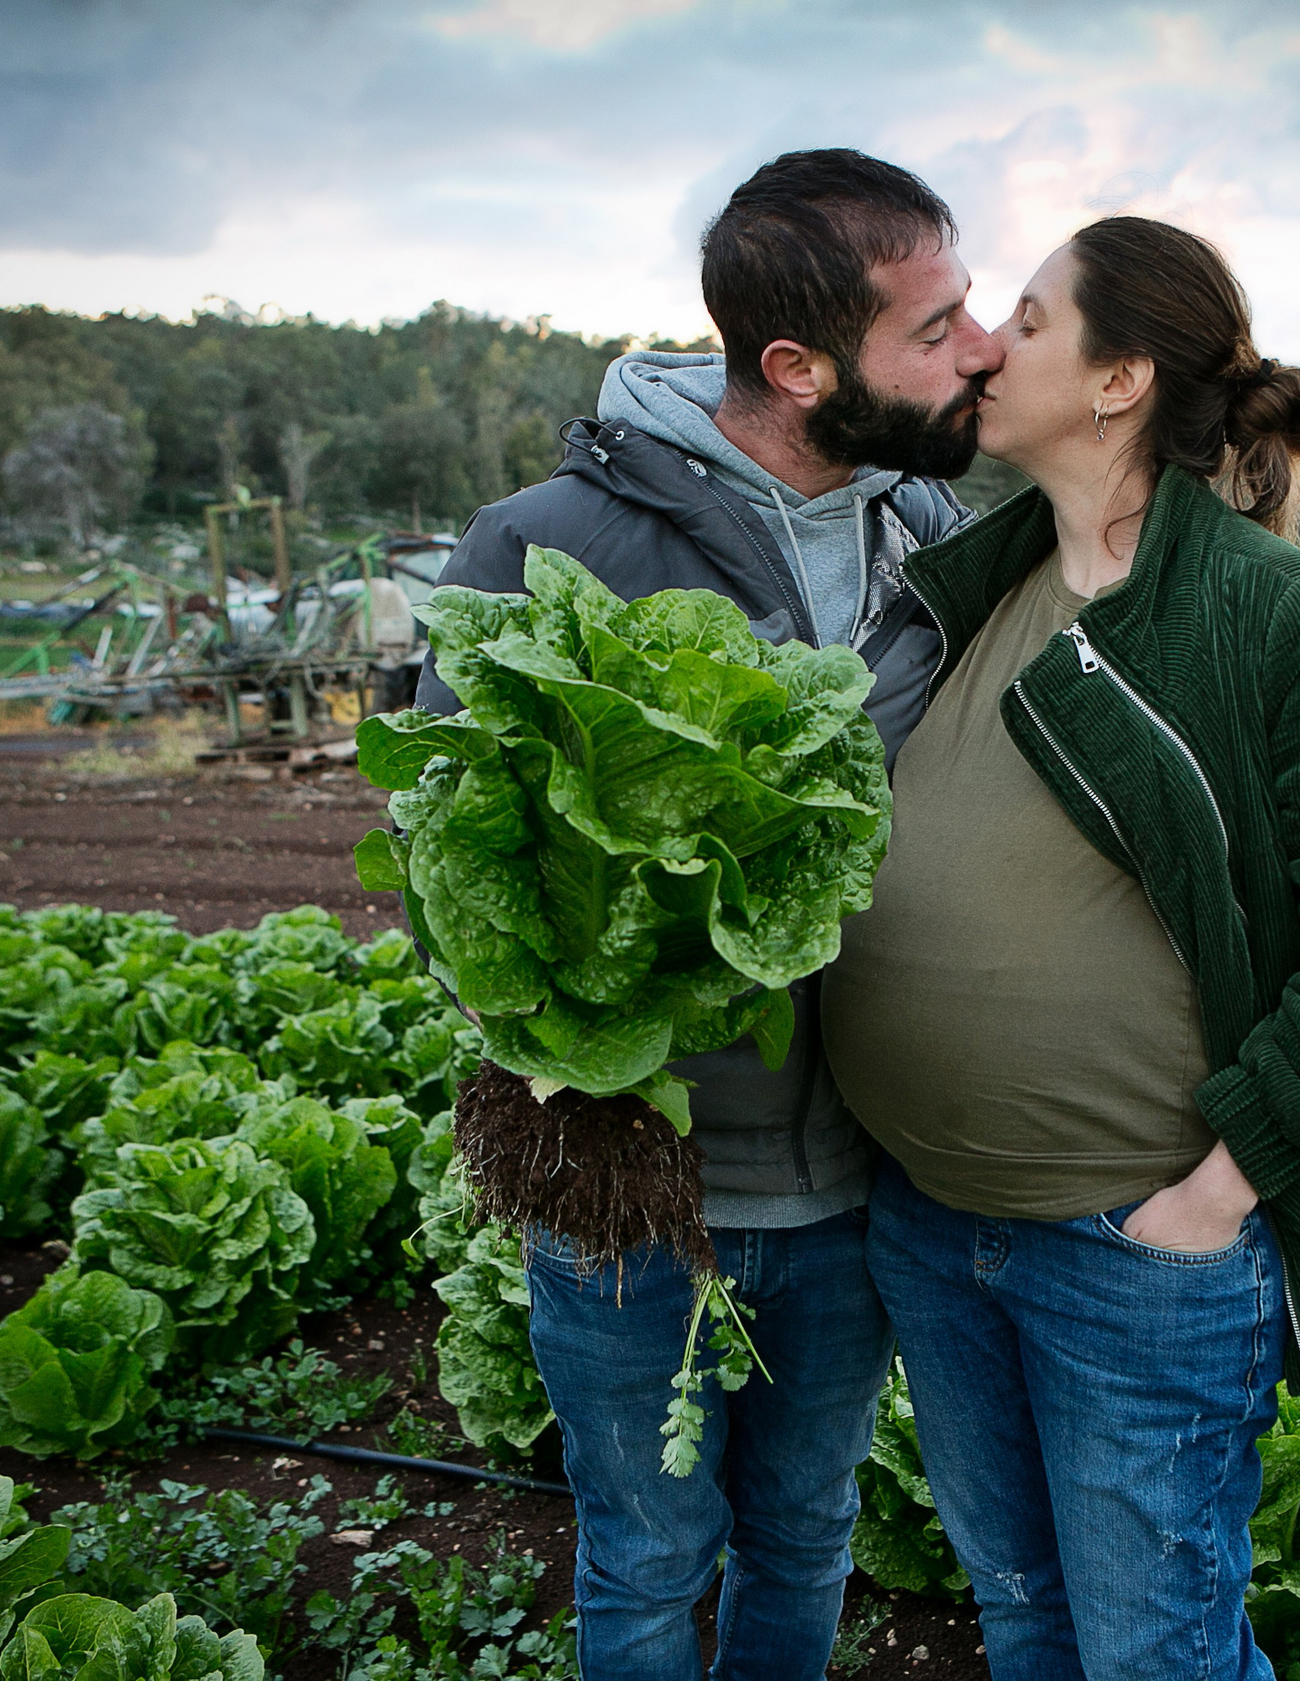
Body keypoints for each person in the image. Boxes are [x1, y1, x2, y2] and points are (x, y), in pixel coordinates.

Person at [822, 216, 1300, 1680]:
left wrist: (1213, 1192)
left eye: (1031, 320)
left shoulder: (1278, 615)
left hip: (1136, 1251)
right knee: (1029, 1624)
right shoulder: (962, 594)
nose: (988, 346)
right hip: (939, 1229)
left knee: (1154, 1658)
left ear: (1122, 379)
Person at [415, 149, 1000, 1681]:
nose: (982, 350)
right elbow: (447, 873)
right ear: (799, 367)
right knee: (648, 1554)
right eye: (935, 330)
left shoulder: (940, 543)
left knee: (804, 1535)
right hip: (632, 1181)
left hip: (865, 1178)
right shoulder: (541, 545)